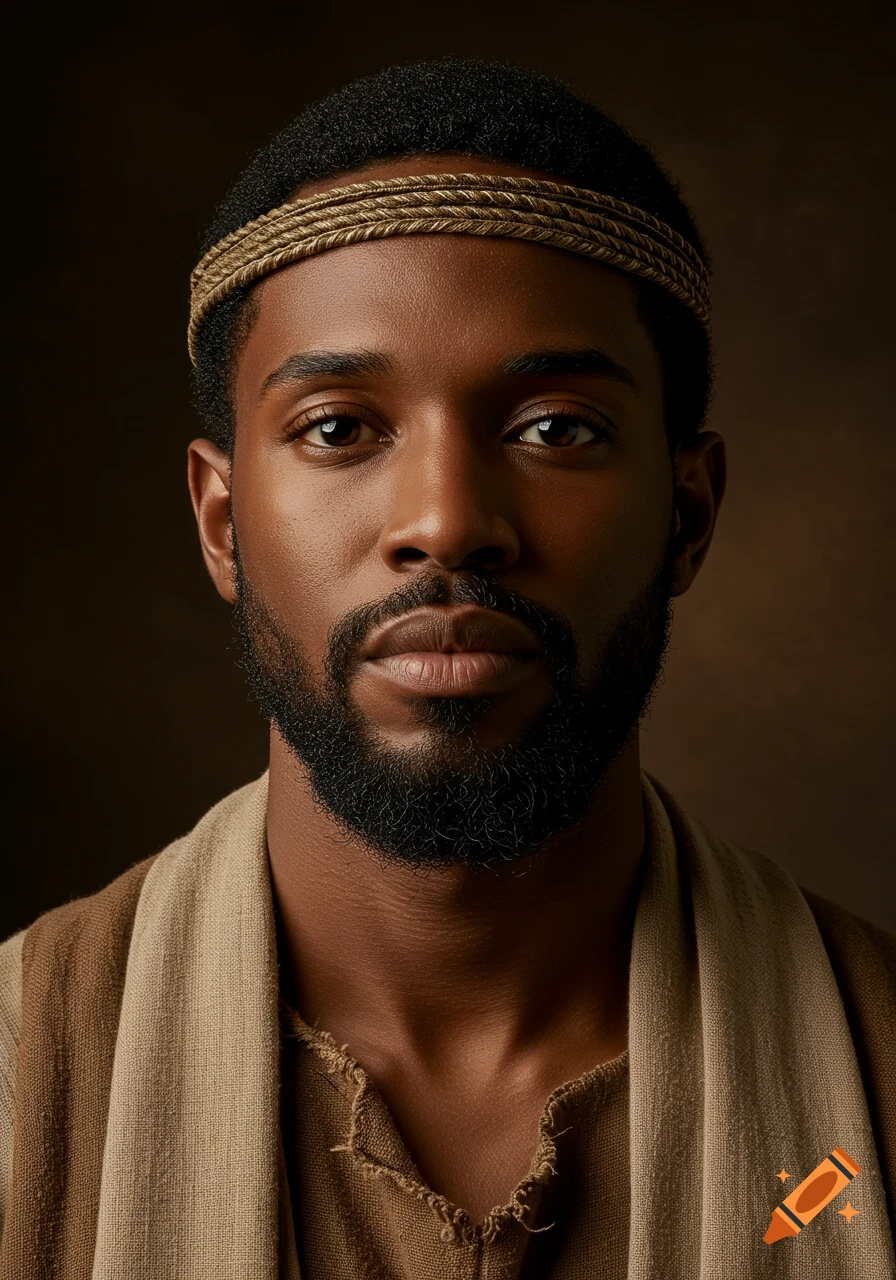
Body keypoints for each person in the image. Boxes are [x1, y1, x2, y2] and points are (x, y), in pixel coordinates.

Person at [0, 58, 893, 1280]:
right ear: (220, 523)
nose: (446, 519)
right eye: (338, 428)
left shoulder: (876, 1081)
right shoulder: (19, 1077)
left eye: (554, 429)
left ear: (686, 516)